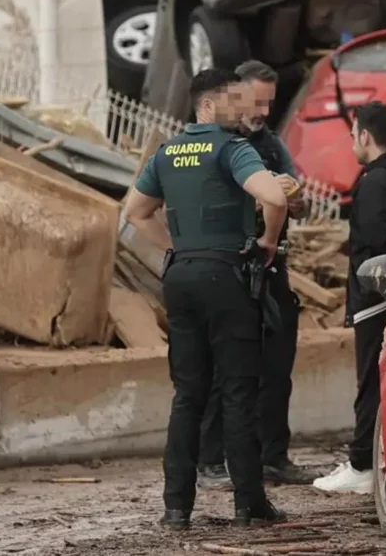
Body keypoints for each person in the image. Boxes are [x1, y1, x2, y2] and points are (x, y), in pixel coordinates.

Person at [125, 68, 289, 529]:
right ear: (209, 105)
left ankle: (176, 507)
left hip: (180, 279)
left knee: (188, 395)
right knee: (238, 392)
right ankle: (249, 503)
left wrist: (173, 246)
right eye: (234, 101)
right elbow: (274, 196)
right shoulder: (232, 149)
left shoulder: (167, 152)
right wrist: (268, 242)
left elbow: (135, 213)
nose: (243, 110)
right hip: (226, 277)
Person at [196, 60, 317, 489]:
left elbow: (295, 196)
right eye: (255, 101)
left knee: (277, 363)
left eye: (269, 103)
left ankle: (273, 457)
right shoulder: (213, 143)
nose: (263, 111)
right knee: (221, 367)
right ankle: (210, 460)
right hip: (228, 268)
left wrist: (296, 202)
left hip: (270, 267)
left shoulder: (269, 144)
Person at [312, 102, 386, 493]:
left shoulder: (376, 183)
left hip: (377, 297)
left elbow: (379, 241)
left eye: (352, 136)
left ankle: (363, 463)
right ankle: (371, 458)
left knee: (370, 381)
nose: (352, 143)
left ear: (365, 135)